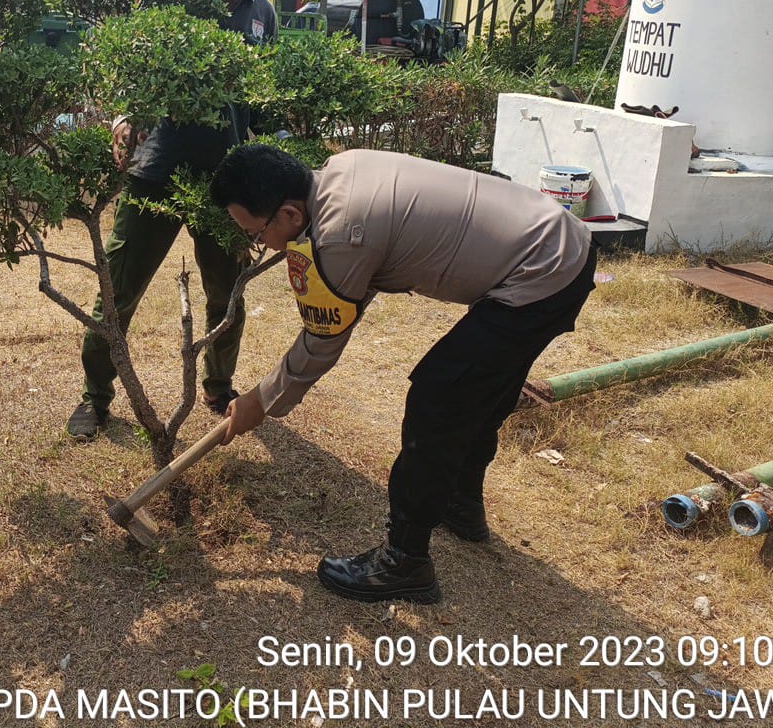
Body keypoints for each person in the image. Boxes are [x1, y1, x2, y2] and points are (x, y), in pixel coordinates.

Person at [209, 145, 597, 603]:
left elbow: (322, 341)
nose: (260, 245)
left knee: (440, 396)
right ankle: (461, 503)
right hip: (560, 242)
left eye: (256, 234)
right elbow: (350, 292)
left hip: (543, 271)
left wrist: (260, 401)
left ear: (290, 214)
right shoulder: (342, 170)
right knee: (482, 386)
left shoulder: (340, 233)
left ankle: (405, 560)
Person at [67, 0, 278, 440]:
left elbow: (262, 104)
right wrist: (121, 117)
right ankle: (95, 394)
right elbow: (129, 72)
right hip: (155, 170)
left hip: (228, 182)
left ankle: (217, 388)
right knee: (117, 288)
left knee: (226, 293)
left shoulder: (263, 15)